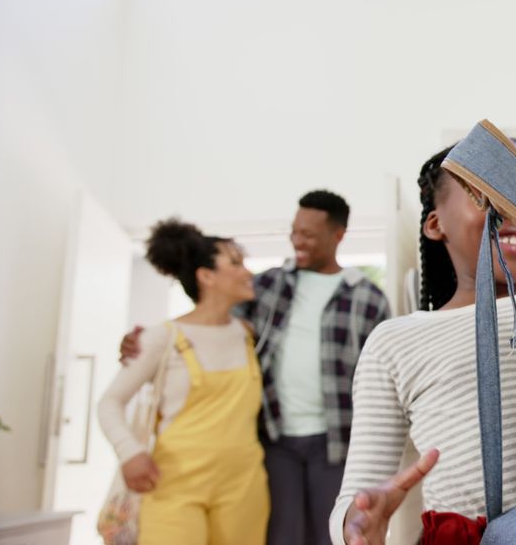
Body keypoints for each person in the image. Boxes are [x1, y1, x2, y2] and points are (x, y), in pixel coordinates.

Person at [330, 143, 516, 545]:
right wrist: (353, 523)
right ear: (436, 224)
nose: (514, 207)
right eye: (488, 191)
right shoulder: (394, 342)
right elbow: (357, 494)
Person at [121, 190, 392, 545]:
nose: (297, 241)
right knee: (281, 536)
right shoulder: (266, 285)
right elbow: (208, 326)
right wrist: (144, 342)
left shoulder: (368, 298)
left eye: (308, 235)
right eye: (294, 231)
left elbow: (383, 373)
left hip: (337, 441)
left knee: (335, 535)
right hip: (274, 441)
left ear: (338, 235)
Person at [99, 218, 269, 544]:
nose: (248, 272)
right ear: (206, 276)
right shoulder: (161, 337)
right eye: (235, 263)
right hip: (173, 483)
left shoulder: (246, 334)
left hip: (244, 485)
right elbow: (110, 402)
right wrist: (129, 452)